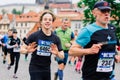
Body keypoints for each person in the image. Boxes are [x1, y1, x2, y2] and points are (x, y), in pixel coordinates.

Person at [69, 1, 120, 80]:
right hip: (91, 77)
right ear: (94, 13)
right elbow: (71, 51)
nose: (106, 14)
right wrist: (89, 50)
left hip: (110, 76)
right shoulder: (88, 30)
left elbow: (111, 45)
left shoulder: (112, 28)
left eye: (108, 11)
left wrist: (115, 55)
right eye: (103, 11)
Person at [20, 10, 64, 80]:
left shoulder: (56, 38)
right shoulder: (34, 35)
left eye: (50, 20)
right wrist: (27, 51)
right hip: (35, 67)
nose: (47, 21)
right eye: (45, 19)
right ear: (41, 22)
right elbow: (21, 49)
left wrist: (57, 53)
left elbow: (62, 56)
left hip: (46, 68)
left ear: (52, 22)